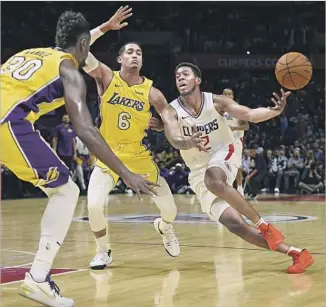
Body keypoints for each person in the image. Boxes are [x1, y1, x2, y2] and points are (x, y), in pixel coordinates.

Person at [0, 11, 159, 307]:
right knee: (66, 190)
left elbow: (78, 44)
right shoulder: (70, 72)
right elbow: (85, 130)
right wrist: (125, 172)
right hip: (8, 123)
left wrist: (102, 28)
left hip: (7, 117)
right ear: (84, 44)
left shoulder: (31, 54)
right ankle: (37, 279)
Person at [160, 62, 314, 274]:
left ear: (197, 80)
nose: (180, 78)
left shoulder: (217, 101)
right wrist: (185, 143)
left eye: (185, 74)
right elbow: (174, 136)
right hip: (197, 170)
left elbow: (249, 115)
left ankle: (264, 225)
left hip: (224, 151)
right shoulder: (171, 110)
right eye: (177, 76)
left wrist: (274, 111)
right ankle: (297, 254)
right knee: (235, 225)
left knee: (213, 180)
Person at [82, 6, 180, 270]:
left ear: (142, 61)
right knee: (93, 206)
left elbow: (169, 119)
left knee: (171, 210)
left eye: (139, 53)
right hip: (107, 155)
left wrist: (166, 129)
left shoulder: (152, 92)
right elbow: (78, 48)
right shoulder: (105, 77)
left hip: (138, 157)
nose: (135, 55)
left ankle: (164, 227)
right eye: (130, 52)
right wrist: (105, 27)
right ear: (119, 59)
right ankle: (103, 251)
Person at [223, 88, 249, 195]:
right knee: (223, 164)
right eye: (225, 94)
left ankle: (240, 188)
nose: (227, 95)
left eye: (229, 94)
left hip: (236, 140)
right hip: (223, 141)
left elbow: (246, 126)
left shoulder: (238, 109)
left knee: (237, 165)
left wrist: (235, 128)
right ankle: (226, 187)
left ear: (233, 96)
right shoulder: (219, 110)